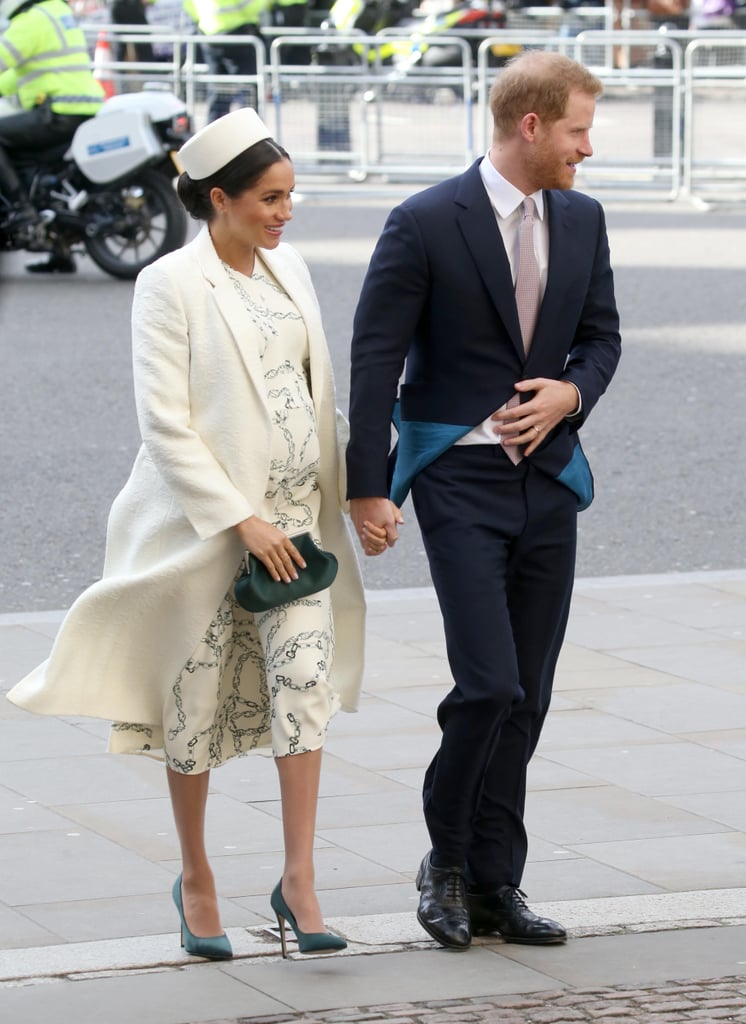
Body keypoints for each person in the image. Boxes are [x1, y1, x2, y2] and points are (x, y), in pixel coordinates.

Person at [7, 106, 366, 961]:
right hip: (206, 533)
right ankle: (197, 879)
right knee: (194, 709)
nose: (286, 213)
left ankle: (300, 880)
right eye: (271, 199)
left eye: (291, 197)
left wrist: (358, 496)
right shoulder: (168, 283)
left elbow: (311, 396)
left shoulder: (295, 270)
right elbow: (165, 426)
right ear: (219, 199)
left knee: (304, 688)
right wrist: (239, 521)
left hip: (295, 527)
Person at [346, 51, 622, 950]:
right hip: (459, 480)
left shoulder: (583, 219)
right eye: (579, 129)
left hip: (549, 477)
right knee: (489, 682)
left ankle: (500, 882)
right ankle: (448, 861)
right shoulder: (425, 221)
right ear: (533, 126)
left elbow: (602, 338)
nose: (590, 146)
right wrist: (367, 488)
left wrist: (570, 394)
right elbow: (374, 358)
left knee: (530, 694)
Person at [0, 0, 105, 271]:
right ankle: (60, 251)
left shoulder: (30, 21)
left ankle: (21, 211)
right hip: (83, 107)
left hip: (58, 111)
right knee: (37, 166)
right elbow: (21, 73)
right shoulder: (59, 13)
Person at [183, 0, 266, 122]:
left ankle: (214, 134)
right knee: (247, 90)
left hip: (209, 34)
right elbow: (253, 6)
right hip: (239, 35)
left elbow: (189, 6)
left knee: (218, 90)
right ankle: (250, 132)